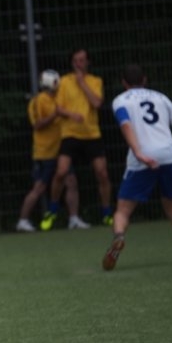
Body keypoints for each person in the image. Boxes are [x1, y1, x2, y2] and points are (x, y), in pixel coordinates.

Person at [101, 64, 172, 270]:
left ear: (124, 83)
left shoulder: (121, 100)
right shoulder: (161, 97)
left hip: (143, 157)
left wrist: (139, 153)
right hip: (169, 155)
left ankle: (119, 237)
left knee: (123, 210)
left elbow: (125, 124)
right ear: (144, 80)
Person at [41, 48, 113, 230]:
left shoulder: (95, 81)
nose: (78, 64)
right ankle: (53, 209)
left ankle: (107, 213)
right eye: (75, 61)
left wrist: (82, 83)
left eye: (81, 60)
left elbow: (96, 103)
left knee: (102, 173)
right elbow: (58, 108)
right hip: (70, 134)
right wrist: (72, 115)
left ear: (87, 62)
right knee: (61, 172)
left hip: (91, 134)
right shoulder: (64, 81)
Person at [16, 70, 88, 232]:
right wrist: (56, 115)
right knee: (40, 187)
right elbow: (37, 125)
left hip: (61, 150)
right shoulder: (38, 101)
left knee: (71, 182)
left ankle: (74, 218)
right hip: (45, 152)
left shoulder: (58, 99)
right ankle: (22, 220)